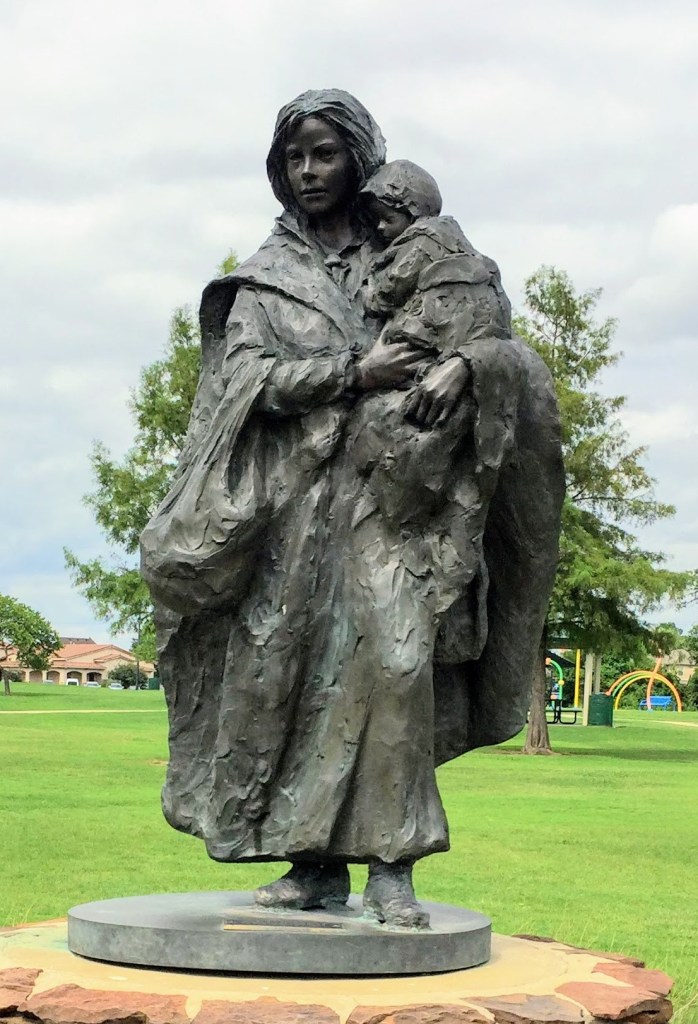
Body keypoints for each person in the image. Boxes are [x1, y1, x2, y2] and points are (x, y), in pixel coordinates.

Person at [140, 89, 564, 929]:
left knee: (396, 666)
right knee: (283, 677)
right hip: (289, 523)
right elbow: (242, 383)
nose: (308, 172)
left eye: (325, 153)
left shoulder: (415, 249)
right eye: (294, 156)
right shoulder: (266, 281)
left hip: (394, 506)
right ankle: (313, 866)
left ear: (361, 159)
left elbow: (496, 333)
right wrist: (351, 373)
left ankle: (395, 863)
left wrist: (474, 366)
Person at [347, 159, 513, 526]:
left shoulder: (422, 242)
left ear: (412, 213)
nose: (379, 228)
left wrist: (368, 292)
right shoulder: (457, 243)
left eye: (386, 218)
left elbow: (388, 291)